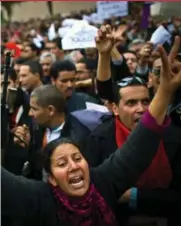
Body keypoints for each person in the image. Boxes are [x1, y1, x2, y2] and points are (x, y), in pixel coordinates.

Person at [2, 40, 181, 226]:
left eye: (78, 158)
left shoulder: (103, 183)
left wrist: (164, 92)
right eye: (62, 163)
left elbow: (140, 146)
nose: (73, 167)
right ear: (52, 178)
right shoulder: (39, 199)